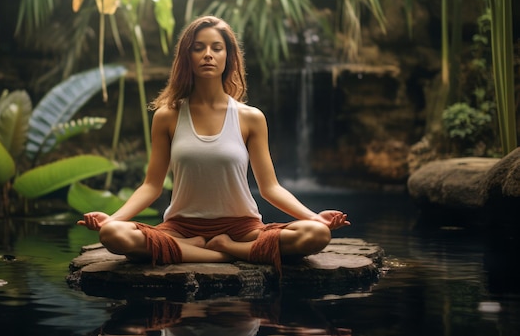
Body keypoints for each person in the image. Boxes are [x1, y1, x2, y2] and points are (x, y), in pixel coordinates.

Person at [78, 15, 350, 272]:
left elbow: (270, 188)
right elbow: (151, 186)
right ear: (188, 57)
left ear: (228, 57)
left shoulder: (250, 118)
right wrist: (112, 219)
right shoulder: (167, 116)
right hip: (180, 228)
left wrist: (314, 218)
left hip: (243, 229)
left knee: (316, 235)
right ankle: (222, 254)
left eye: (216, 48)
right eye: (199, 48)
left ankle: (222, 248)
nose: (208, 54)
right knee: (113, 235)